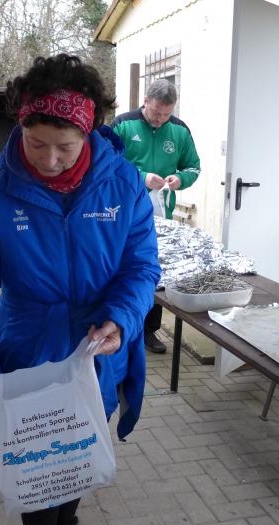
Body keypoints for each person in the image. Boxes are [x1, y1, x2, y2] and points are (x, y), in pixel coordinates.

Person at [0, 54, 161, 525]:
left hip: (95, 355)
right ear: (20, 126)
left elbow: (141, 268)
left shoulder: (123, 185)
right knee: (37, 493)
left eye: (65, 146)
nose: (50, 159)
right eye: (36, 143)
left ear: (89, 132)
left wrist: (122, 318)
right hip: (28, 357)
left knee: (75, 474)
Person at [111, 78, 201, 354]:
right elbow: (108, 165)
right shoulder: (122, 125)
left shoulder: (179, 130)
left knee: (154, 270)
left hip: (161, 215)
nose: (161, 119)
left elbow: (193, 167)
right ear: (146, 101)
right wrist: (141, 177)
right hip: (121, 213)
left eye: (166, 114)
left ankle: (149, 330)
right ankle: (119, 324)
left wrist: (180, 179)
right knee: (123, 267)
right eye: (156, 112)